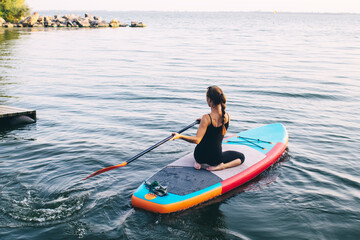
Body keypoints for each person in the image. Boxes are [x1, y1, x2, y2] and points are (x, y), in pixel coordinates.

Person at [172, 86, 245, 171]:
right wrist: (204, 122)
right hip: (215, 159)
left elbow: (197, 140)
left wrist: (180, 136)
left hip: (199, 156)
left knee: (203, 146)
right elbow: (215, 131)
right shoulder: (227, 116)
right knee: (241, 157)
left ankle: (198, 162)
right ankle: (222, 166)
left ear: (209, 100)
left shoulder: (206, 118)